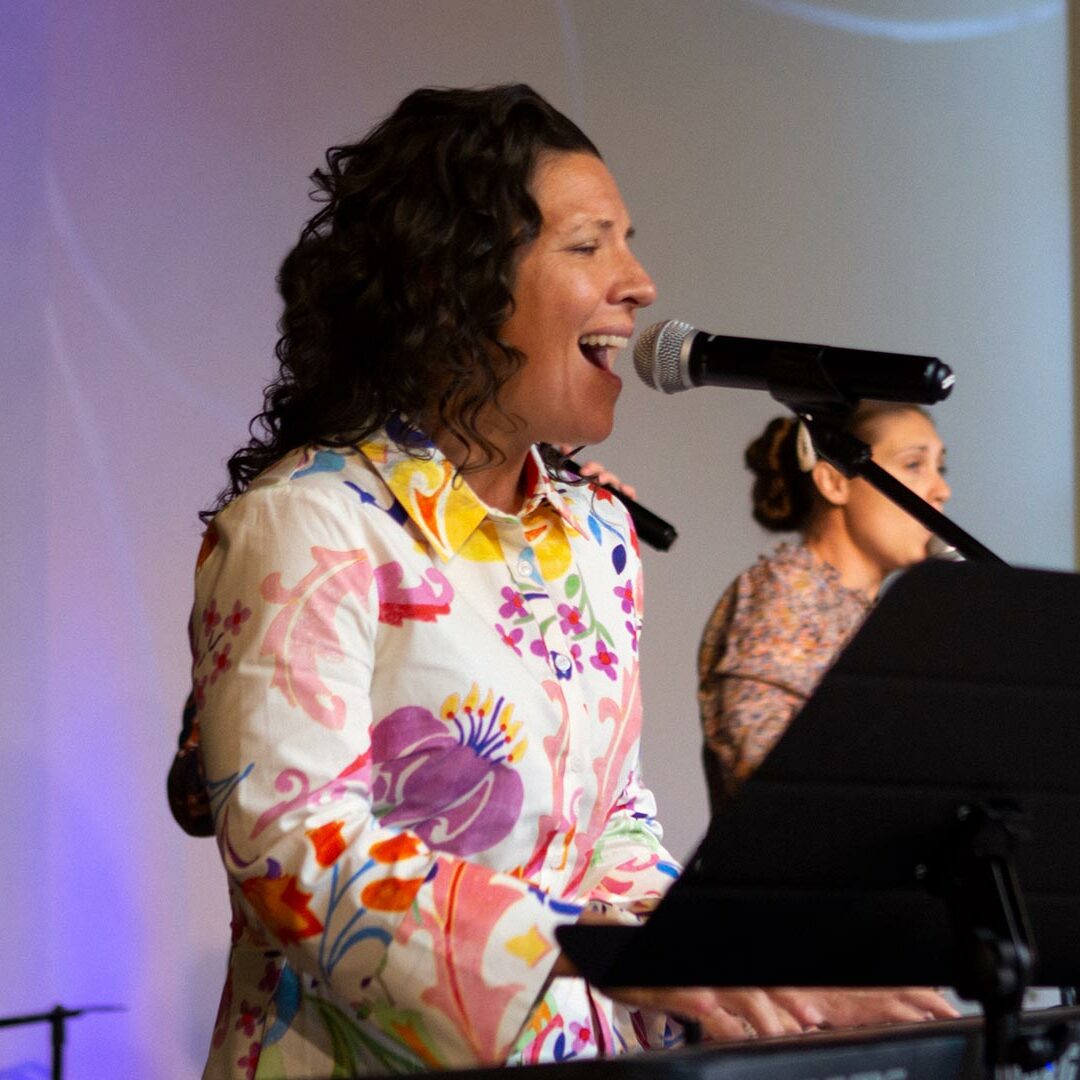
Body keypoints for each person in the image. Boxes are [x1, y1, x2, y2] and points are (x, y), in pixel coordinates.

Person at [174, 85, 955, 1078]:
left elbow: (613, 828)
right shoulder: (305, 523)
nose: (638, 282)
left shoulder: (594, 533)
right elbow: (296, 852)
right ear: (454, 284)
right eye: (589, 246)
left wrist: (755, 974)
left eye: (627, 242)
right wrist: (609, 966)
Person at [698, 403, 951, 812]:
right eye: (914, 465)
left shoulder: (883, 618)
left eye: (941, 467)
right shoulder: (787, 587)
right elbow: (767, 774)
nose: (941, 490)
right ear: (835, 482)